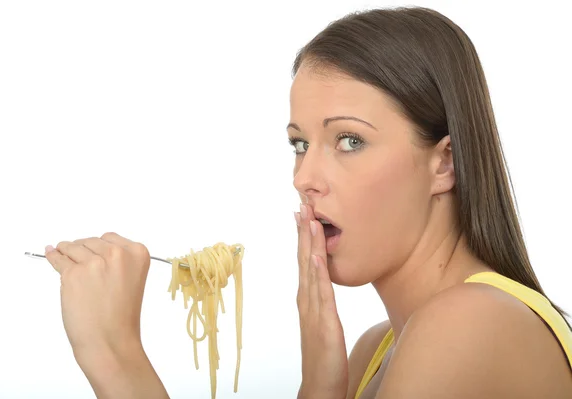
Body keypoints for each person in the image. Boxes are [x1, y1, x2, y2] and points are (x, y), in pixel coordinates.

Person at [43, 6, 572, 399]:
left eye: (349, 140)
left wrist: (113, 353)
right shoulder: (375, 349)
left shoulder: (472, 322)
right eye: (300, 144)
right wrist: (320, 381)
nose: (304, 177)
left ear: (445, 164)